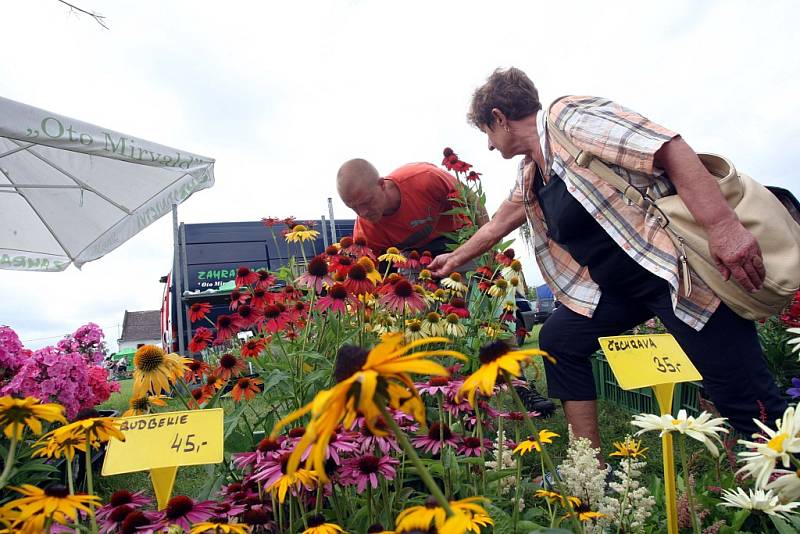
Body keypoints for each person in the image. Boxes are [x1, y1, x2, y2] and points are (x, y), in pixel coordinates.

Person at [429, 67, 786, 447]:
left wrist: (722, 226)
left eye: (486, 132)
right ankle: (589, 469)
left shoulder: (568, 117)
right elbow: (498, 222)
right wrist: (453, 260)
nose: (488, 145)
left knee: (746, 400)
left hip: (673, 274)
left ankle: (785, 474)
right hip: (620, 290)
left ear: (499, 117)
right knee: (560, 338)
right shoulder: (532, 170)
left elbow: (667, 146)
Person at [338, 158, 555, 415]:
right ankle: (448, 401)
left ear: (382, 184)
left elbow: (472, 204)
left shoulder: (424, 179)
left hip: (460, 244)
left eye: (367, 202)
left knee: (495, 318)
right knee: (430, 332)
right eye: (355, 208)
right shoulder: (365, 230)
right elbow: (373, 276)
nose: (364, 213)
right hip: (417, 264)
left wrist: (486, 251)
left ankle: (521, 387)